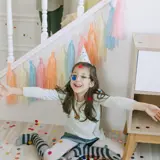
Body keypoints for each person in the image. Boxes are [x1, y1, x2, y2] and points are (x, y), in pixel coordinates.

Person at [0, 50, 160, 160]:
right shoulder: (65, 96)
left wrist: (144, 106)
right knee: (49, 156)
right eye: (74, 76)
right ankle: (35, 137)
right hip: (71, 138)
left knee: (124, 155)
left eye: (83, 76)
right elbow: (41, 92)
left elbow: (118, 101)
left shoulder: (96, 97)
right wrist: (13, 90)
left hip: (95, 139)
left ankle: (82, 151)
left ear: (91, 83)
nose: (77, 79)